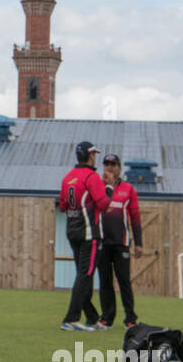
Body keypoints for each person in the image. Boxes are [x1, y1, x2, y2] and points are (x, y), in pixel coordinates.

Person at [59, 142, 110, 331]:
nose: (94, 157)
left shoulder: (68, 177)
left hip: (72, 231)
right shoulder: (91, 177)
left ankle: (91, 318)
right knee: (85, 275)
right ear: (89, 156)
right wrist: (109, 188)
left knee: (83, 275)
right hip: (89, 233)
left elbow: (63, 205)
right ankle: (71, 318)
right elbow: (104, 204)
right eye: (93, 154)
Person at [97, 154, 143, 329]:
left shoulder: (128, 189)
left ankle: (130, 319)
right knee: (105, 281)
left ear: (119, 167)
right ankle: (107, 319)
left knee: (124, 281)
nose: (109, 167)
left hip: (121, 242)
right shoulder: (97, 187)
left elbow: (135, 217)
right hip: (102, 241)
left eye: (113, 164)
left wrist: (138, 243)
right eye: (106, 164)